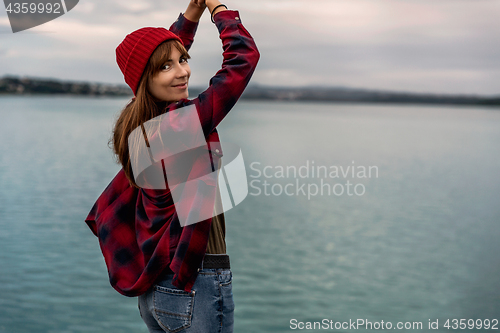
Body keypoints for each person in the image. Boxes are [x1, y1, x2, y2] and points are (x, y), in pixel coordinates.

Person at [84, 0, 259, 331]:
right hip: (195, 285)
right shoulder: (180, 125)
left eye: (183, 60)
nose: (182, 71)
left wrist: (190, 16)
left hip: (157, 291)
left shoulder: (139, 123)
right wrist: (219, 9)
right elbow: (242, 62)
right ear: (145, 79)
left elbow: (154, 62)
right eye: (166, 67)